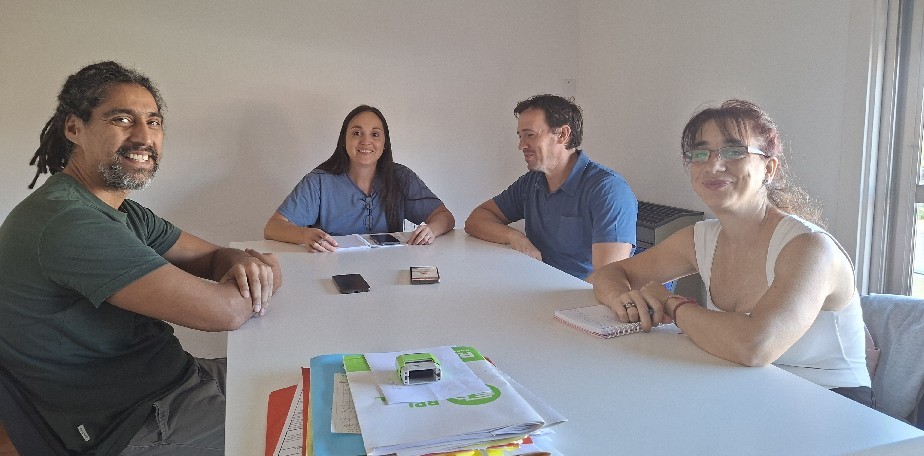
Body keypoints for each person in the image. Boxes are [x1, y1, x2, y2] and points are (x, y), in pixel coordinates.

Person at [0, 61, 283, 455]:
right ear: (74, 128)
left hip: (177, 380)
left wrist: (240, 261)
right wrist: (264, 271)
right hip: (134, 422)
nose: (144, 136)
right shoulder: (69, 222)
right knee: (317, 438)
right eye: (122, 119)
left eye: (154, 121)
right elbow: (226, 312)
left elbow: (214, 256)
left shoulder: (123, 212)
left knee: (313, 386)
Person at [592, 99, 873, 406]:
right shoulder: (700, 238)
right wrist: (623, 300)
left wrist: (673, 304)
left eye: (734, 151)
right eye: (700, 154)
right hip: (747, 389)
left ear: (769, 168)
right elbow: (610, 273)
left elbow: (755, 345)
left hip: (832, 405)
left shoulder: (810, 248)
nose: (713, 166)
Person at [464, 94, 637, 282]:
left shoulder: (609, 191)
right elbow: (476, 220)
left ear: (563, 134)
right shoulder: (531, 182)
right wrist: (514, 236)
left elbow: (608, 279)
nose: (521, 145)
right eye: (520, 136)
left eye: (530, 135)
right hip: (533, 283)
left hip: (579, 294)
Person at [264, 105, 455, 252]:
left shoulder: (402, 178)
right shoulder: (318, 182)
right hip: (331, 273)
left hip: (388, 271)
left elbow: (445, 216)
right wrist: (305, 235)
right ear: (344, 140)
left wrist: (431, 230)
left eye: (375, 134)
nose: (366, 141)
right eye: (357, 133)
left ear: (385, 143)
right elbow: (273, 227)